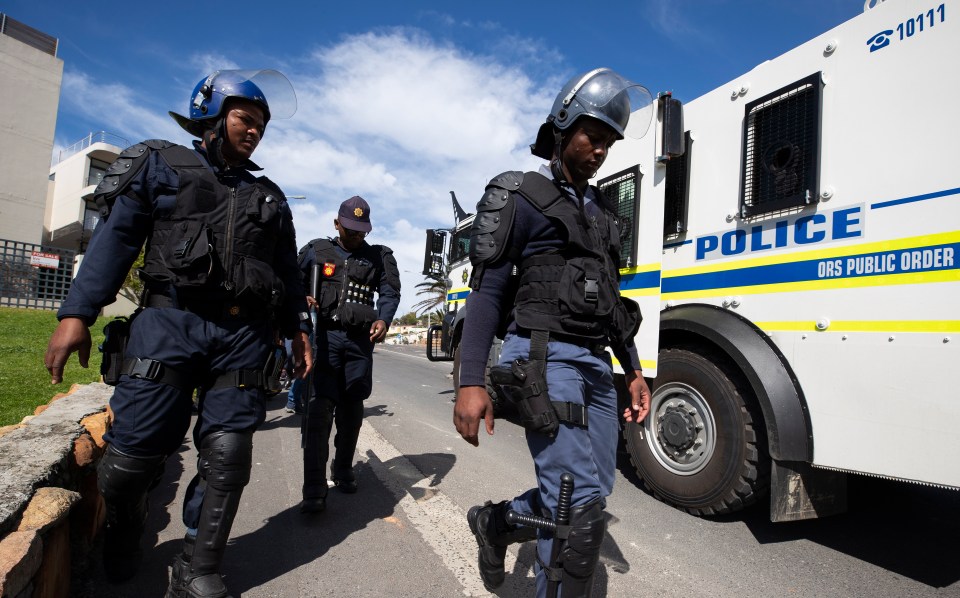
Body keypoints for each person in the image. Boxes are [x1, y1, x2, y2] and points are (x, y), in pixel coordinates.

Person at [43, 69, 313, 598]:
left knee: (228, 454)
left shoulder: (270, 197)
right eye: (245, 119)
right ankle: (125, 523)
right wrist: (77, 314)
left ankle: (198, 562)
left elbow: (285, 274)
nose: (255, 131)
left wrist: (296, 332)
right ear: (210, 114)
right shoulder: (160, 165)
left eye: (261, 125)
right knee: (129, 461)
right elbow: (116, 241)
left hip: (242, 335)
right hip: (168, 324)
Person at [452, 67, 655, 597]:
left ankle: (495, 524)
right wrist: (469, 380)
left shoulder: (605, 213)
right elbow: (488, 293)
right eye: (593, 136)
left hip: (594, 364)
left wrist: (633, 370)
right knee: (581, 509)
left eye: (609, 142)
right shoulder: (521, 194)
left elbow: (609, 302)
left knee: (590, 494)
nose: (600, 151)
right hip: (542, 357)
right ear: (562, 127)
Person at [296, 195, 401, 513]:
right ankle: (313, 486)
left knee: (352, 411)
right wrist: (303, 302)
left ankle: (343, 470)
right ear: (336, 223)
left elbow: (390, 291)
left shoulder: (379, 256)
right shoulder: (316, 251)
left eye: (362, 231)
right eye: (351, 230)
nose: (357, 236)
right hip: (324, 338)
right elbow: (292, 284)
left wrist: (384, 317)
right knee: (319, 412)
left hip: (359, 344)